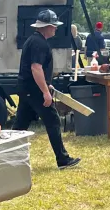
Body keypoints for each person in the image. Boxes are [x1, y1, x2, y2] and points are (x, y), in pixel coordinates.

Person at [12, 9, 81, 170]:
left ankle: (4, 156)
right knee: (53, 121)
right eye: (53, 25)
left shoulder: (33, 40)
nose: (55, 28)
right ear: (46, 27)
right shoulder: (39, 43)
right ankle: (63, 160)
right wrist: (44, 92)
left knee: (20, 126)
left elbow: (38, 70)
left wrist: (47, 83)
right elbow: (36, 68)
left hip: (27, 88)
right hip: (34, 90)